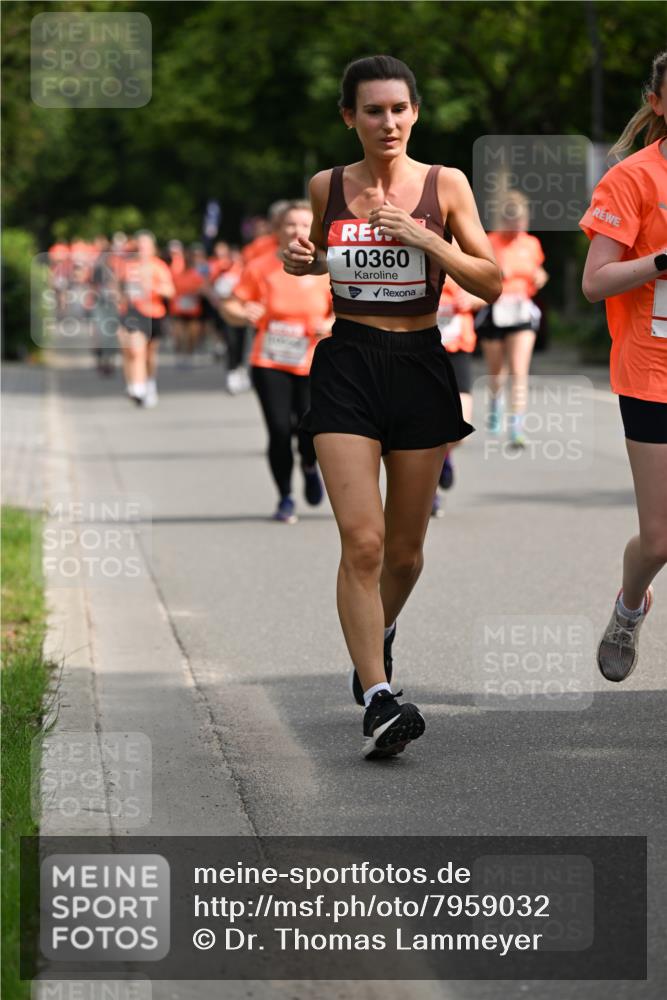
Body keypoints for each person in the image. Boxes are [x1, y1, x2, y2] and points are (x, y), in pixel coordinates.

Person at [283, 55, 501, 758]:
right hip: (346, 363)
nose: (388, 122)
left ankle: (372, 636)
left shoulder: (446, 185)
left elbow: (491, 281)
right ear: (348, 116)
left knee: (405, 554)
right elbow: (321, 257)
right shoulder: (327, 186)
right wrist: (301, 260)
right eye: (372, 110)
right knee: (365, 543)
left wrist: (425, 237)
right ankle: (379, 697)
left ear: (415, 114)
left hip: (419, 365)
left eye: (398, 109)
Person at [580, 49, 667, 682]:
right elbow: (595, 282)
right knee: (660, 539)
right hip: (652, 373)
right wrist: (662, 261)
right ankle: (631, 604)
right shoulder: (633, 178)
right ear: (657, 102)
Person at [221, 201, 333, 522]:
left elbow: (346, 306)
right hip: (270, 360)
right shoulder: (260, 267)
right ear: (277, 230)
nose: (296, 231)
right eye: (290, 225)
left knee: (310, 429)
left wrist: (330, 323)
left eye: (303, 225)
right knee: (279, 430)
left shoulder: (326, 267)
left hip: (314, 360)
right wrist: (244, 313)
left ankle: (310, 466)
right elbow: (231, 305)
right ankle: (284, 496)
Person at [474, 191, 548, 448]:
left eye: (521, 225)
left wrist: (540, 276)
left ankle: (517, 426)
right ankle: (496, 401)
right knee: (497, 371)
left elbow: (538, 270)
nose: (517, 230)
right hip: (494, 310)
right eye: (512, 225)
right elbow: (477, 271)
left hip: (521, 310)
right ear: (503, 221)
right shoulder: (489, 242)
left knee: (519, 370)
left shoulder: (531, 244)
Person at [432, 275, 480, 514]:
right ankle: (429, 491)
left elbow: (490, 287)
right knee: (421, 427)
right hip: (422, 350)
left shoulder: (465, 248)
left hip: (457, 349)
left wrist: (473, 298)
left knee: (462, 427)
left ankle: (444, 456)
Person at [117, 230, 175, 407]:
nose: (142, 249)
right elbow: (119, 288)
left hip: (154, 314)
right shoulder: (128, 266)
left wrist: (153, 288)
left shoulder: (158, 266)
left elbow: (171, 292)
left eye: (145, 245)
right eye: (139, 245)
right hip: (133, 314)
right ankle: (137, 387)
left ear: (152, 248)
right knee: (135, 350)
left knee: (150, 355)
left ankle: (149, 383)